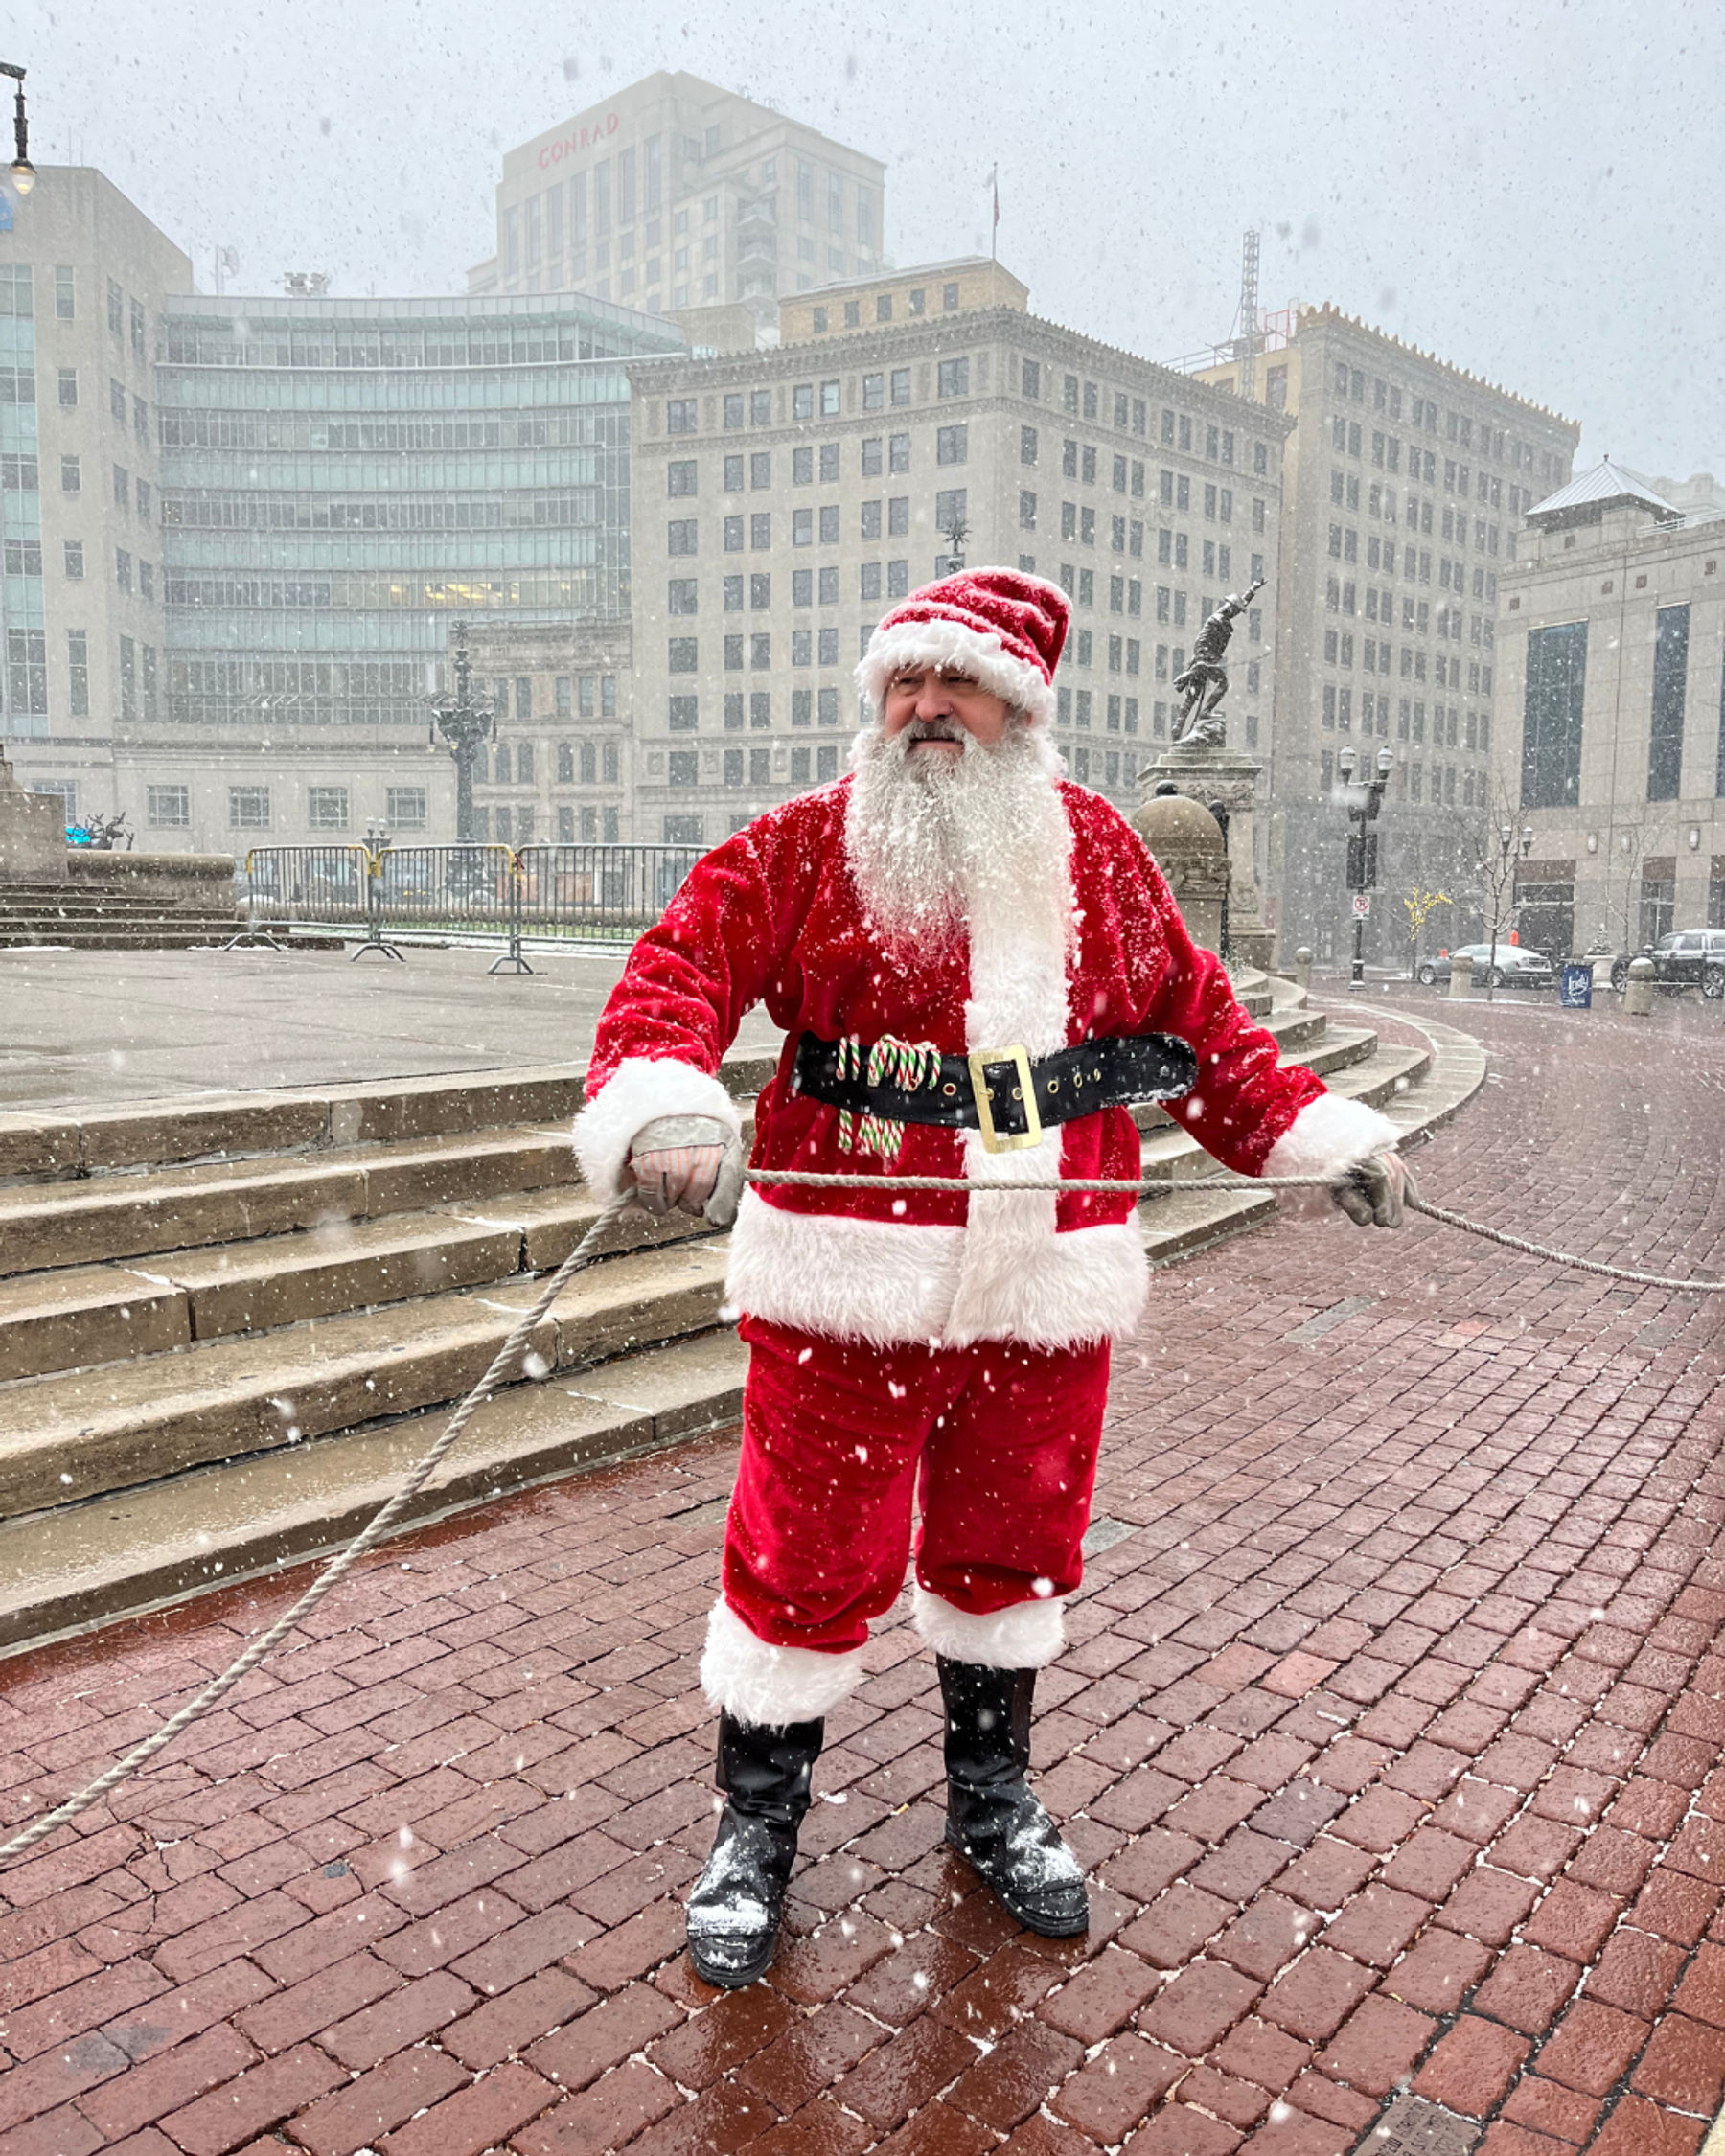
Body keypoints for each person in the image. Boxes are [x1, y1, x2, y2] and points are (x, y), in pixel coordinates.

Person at [574, 568, 1407, 1988]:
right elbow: (678, 968)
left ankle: (992, 1799)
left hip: (1042, 1282)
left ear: (1020, 710)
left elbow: (1202, 1028)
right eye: (904, 684)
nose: (924, 710)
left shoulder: (1099, 856)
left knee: (1010, 1552)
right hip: (845, 1286)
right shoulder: (803, 847)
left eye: (956, 685)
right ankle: (756, 1829)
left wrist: (1316, 1134)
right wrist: (660, 1099)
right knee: (799, 1562)